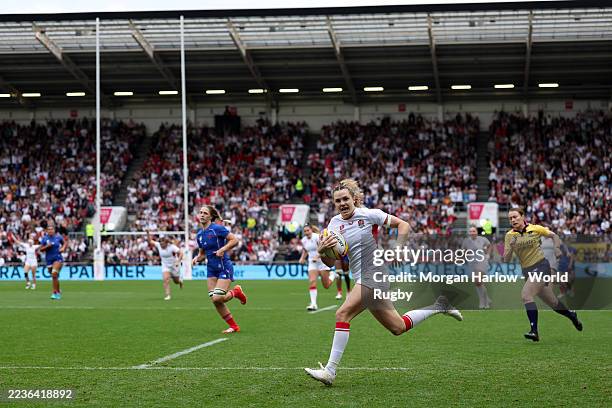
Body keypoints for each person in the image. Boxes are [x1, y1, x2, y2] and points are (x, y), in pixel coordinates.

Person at [305, 179, 463, 386]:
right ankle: (440, 306)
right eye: (338, 201)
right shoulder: (334, 224)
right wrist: (322, 250)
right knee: (397, 327)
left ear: (354, 199)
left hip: (375, 273)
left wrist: (399, 247)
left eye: (345, 199)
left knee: (342, 313)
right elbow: (331, 260)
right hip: (361, 277)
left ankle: (330, 371)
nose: (342, 203)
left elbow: (403, 225)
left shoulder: (370, 214)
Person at [503, 208, 583, 342]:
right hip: (527, 271)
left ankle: (534, 331)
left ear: (522, 216)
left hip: (541, 266)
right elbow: (506, 259)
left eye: (515, 217)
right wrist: (511, 247)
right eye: (510, 218)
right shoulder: (509, 235)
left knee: (526, 295)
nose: (513, 220)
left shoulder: (535, 229)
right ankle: (571, 315)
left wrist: (557, 248)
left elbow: (554, 236)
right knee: (553, 302)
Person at [193, 205, 247, 334]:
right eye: (200, 212)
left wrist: (223, 249)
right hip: (211, 269)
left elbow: (235, 240)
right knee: (215, 300)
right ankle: (234, 326)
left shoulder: (217, 228)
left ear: (211, 216)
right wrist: (196, 259)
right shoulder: (199, 235)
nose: (201, 215)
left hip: (223, 266)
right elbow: (202, 254)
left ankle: (236, 292)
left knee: (218, 298)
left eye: (205, 213)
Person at [299, 225, 336, 311]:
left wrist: (318, 256)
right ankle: (313, 304)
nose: (306, 232)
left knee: (326, 285)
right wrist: (302, 258)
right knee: (312, 281)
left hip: (323, 262)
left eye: (308, 230)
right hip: (312, 263)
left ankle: (333, 275)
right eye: (305, 231)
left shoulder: (317, 237)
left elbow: (324, 248)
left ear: (311, 230)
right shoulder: (303, 240)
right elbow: (305, 250)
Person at [461, 226, 493, 309]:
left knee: (478, 281)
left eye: (474, 231)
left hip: (481, 261)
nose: (472, 233)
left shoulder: (482, 239)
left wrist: (488, 255)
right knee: (477, 283)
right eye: (470, 231)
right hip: (472, 263)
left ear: (477, 232)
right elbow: (463, 250)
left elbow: (489, 246)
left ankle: (483, 302)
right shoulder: (466, 241)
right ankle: (487, 299)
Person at [147, 232, 183, 301]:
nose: (161, 245)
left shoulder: (172, 247)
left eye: (162, 244)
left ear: (166, 243)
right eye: (160, 244)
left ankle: (180, 281)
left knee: (176, 281)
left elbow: (181, 253)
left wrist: (178, 261)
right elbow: (150, 241)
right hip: (165, 265)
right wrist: (147, 233)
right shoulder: (158, 245)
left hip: (174, 265)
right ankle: (168, 295)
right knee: (166, 279)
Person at [39, 224, 68, 300]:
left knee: (54, 274)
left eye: (52, 229)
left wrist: (63, 248)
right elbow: (41, 249)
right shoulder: (44, 239)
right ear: (46, 231)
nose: (50, 231)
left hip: (57, 258)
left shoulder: (58, 237)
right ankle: (58, 290)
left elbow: (65, 243)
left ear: (54, 230)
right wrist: (47, 247)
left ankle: (55, 293)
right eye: (49, 229)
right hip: (48, 259)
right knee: (54, 276)